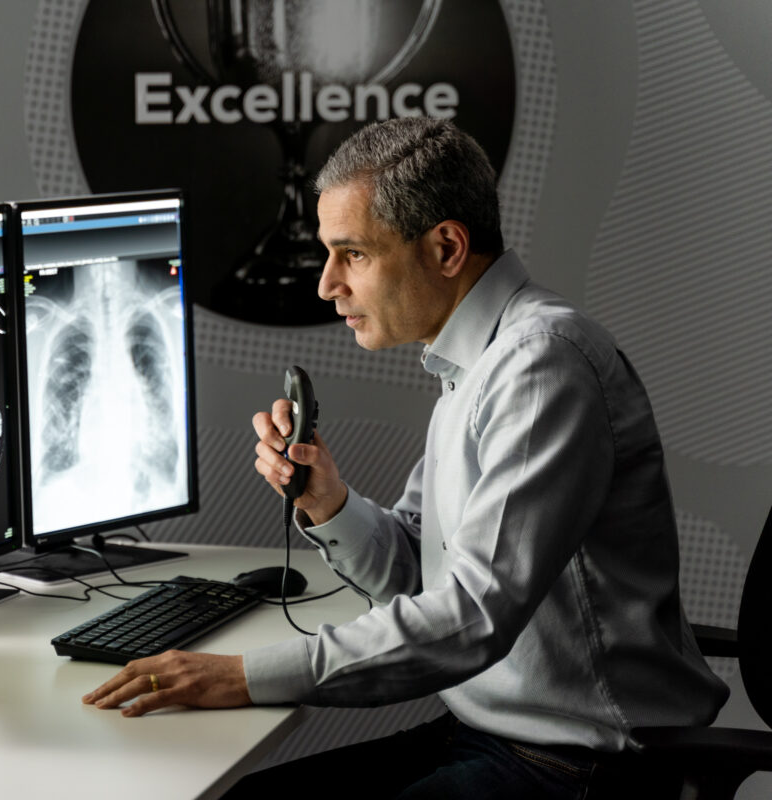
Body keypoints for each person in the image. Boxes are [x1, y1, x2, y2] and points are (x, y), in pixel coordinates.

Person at [81, 117, 729, 798]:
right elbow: (418, 578)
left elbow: (472, 616)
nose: (327, 285)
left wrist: (242, 676)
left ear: (447, 247)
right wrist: (326, 502)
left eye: (352, 254)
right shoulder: (476, 363)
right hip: (495, 732)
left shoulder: (542, 367)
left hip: (586, 764)